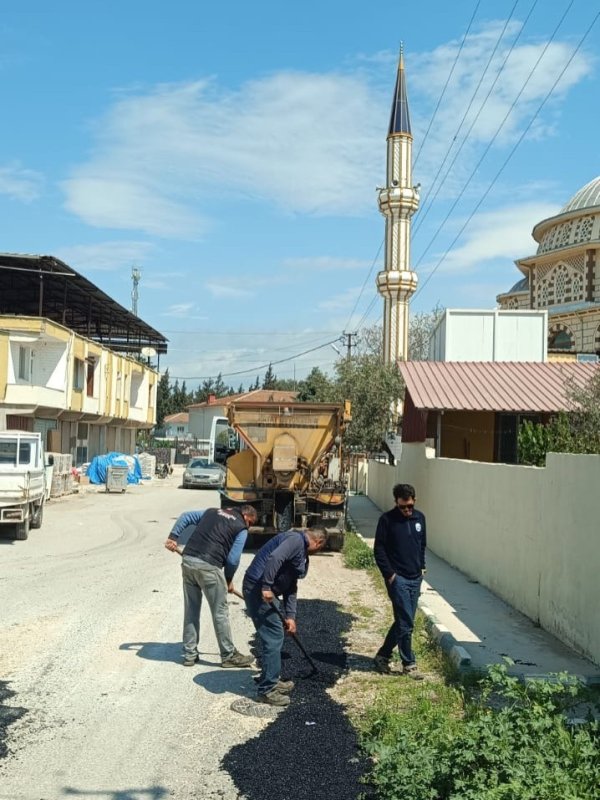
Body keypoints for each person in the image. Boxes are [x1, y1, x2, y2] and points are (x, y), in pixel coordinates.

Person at [164, 505, 257, 668]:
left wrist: (173, 537)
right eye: (250, 523)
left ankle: (189, 654)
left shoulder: (212, 512)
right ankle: (228, 655)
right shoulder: (241, 527)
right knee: (220, 612)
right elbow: (233, 559)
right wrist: (228, 579)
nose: (249, 527)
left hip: (189, 561)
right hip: (209, 566)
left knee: (191, 608)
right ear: (246, 517)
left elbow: (185, 515)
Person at [242, 527, 327, 707]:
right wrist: (266, 586)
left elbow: (291, 587)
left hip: (264, 589)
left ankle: (269, 677)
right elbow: (274, 558)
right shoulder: (296, 540)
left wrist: (291, 616)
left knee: (272, 635)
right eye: (320, 548)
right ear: (318, 541)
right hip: (258, 588)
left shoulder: (300, 551)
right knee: (274, 636)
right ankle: (267, 690)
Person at [373, 483, 426, 678]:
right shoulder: (387, 520)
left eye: (410, 506)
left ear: (414, 501)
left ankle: (382, 656)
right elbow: (379, 550)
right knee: (406, 622)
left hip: (415, 577)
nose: (407, 510)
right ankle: (409, 664)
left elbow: (422, 544)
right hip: (398, 579)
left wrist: (422, 567)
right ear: (396, 502)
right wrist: (390, 575)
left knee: (405, 621)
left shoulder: (420, 518)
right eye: (403, 507)